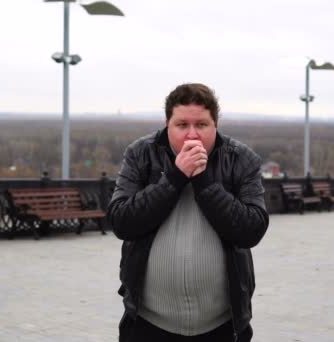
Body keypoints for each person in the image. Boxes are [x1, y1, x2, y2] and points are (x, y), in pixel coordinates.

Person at [107, 83, 269, 342]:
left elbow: (252, 230)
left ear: (215, 124)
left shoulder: (241, 159)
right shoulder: (141, 154)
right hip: (149, 322)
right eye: (182, 125)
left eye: (202, 125)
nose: (192, 135)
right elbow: (121, 221)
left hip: (221, 324)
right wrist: (175, 177)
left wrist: (203, 181)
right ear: (167, 124)